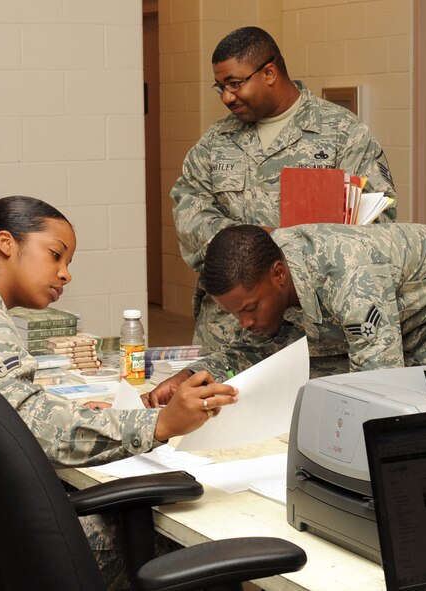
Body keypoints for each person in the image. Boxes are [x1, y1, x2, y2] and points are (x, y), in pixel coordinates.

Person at [0, 196, 238, 589]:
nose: (65, 274)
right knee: (185, 542)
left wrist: (85, 414)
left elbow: (6, 409)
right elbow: (34, 431)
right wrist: (159, 423)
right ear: (6, 244)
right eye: (56, 255)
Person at [170, 26, 397, 368]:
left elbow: (376, 228)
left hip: (313, 340)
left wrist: (295, 249)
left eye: (235, 84)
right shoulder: (216, 141)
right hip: (226, 334)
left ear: (269, 72)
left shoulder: (343, 134)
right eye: (221, 87)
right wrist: (252, 244)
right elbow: (189, 216)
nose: (227, 97)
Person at [150, 223, 426, 396]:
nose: (245, 322)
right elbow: (253, 351)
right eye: (236, 314)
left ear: (279, 274)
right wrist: (190, 377)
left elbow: (380, 384)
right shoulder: (263, 271)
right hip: (408, 315)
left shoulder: (351, 278)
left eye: (249, 309)